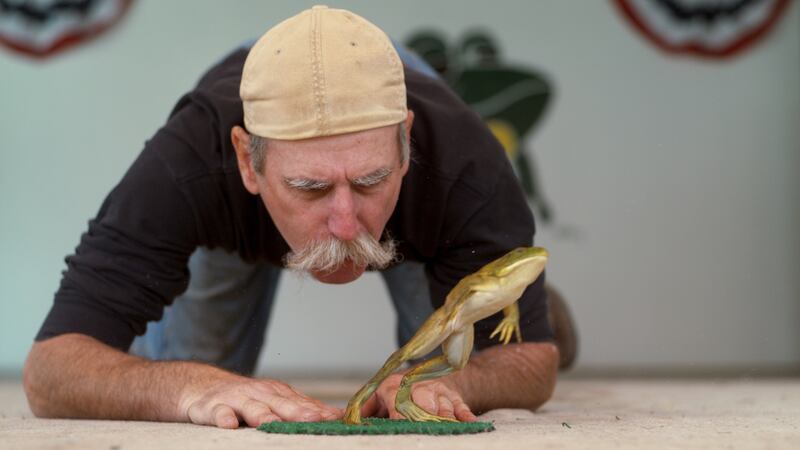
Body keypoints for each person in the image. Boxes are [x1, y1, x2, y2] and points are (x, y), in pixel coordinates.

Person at [23, 6, 564, 428]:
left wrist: (463, 383)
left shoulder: (462, 163)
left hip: (430, 210)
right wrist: (193, 385)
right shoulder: (190, 163)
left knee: (426, 381)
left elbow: (530, 362)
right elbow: (53, 369)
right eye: (310, 188)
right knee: (200, 378)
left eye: (371, 180)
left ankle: (530, 300)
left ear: (405, 146)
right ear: (246, 161)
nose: (346, 222)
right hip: (227, 204)